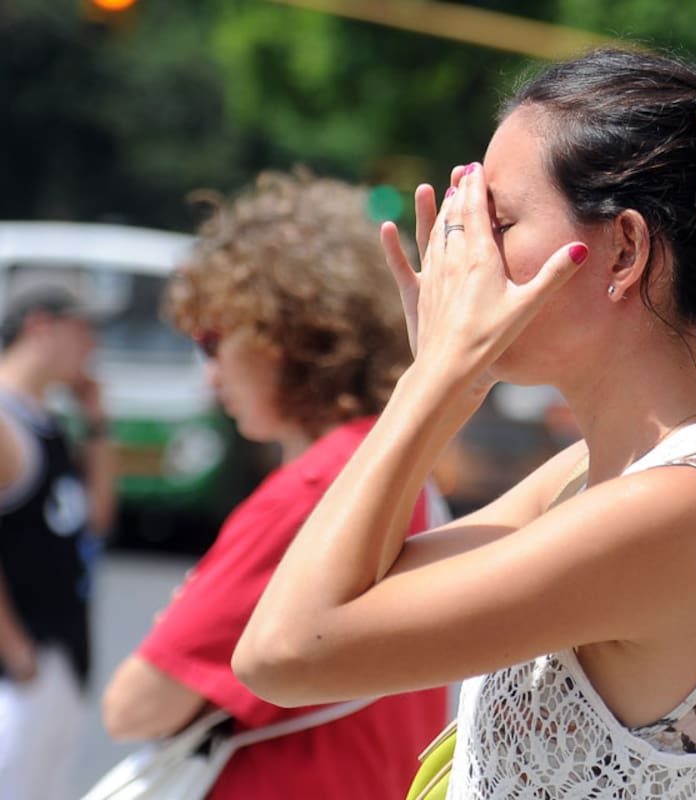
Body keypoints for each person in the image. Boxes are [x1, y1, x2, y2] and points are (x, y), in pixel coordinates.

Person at [234, 50, 696, 798]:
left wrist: (434, 378)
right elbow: (354, 590)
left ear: (626, 250)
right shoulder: (583, 479)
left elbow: (283, 653)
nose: (464, 254)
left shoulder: (675, 509)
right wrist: (447, 378)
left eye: (497, 222)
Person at [100, 171, 450, 798]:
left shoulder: (315, 490)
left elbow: (134, 706)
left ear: (282, 334)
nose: (209, 375)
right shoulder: (394, 461)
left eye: (212, 342)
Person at [0, 284, 116, 800]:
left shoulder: (44, 418)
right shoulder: (6, 422)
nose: (92, 344)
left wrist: (96, 421)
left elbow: (94, 518)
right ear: (40, 326)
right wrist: (18, 653)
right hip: (18, 670)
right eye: (83, 329)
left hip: (58, 658)